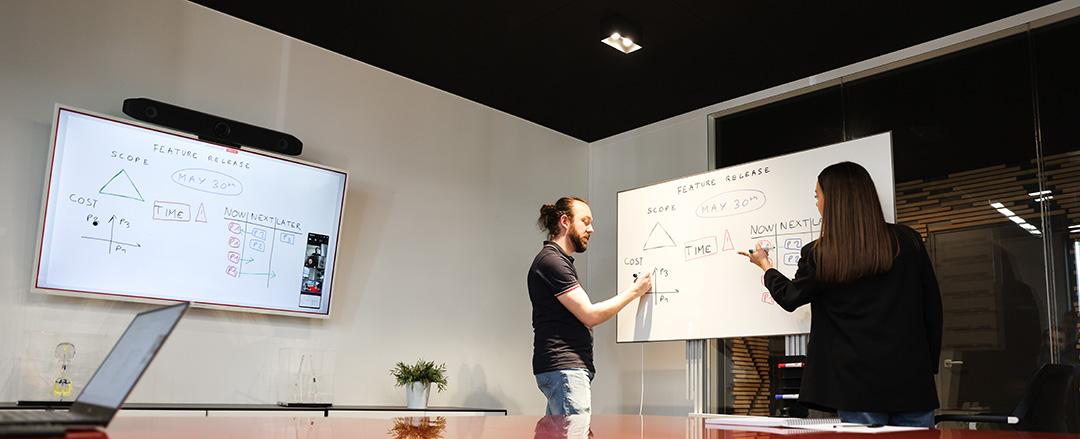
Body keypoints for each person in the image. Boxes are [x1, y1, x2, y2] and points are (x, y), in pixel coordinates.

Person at [737, 162, 943, 427]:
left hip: (856, 386)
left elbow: (790, 297)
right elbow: (932, 309)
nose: (816, 203)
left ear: (833, 201)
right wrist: (928, 367)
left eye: (817, 196)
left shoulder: (822, 253)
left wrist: (766, 267)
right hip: (913, 381)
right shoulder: (909, 240)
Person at [528, 196, 652, 415]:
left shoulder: (558, 261)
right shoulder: (552, 261)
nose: (591, 229)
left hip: (565, 368)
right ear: (565, 222)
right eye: (585, 221)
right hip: (564, 367)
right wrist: (635, 291)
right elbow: (590, 315)